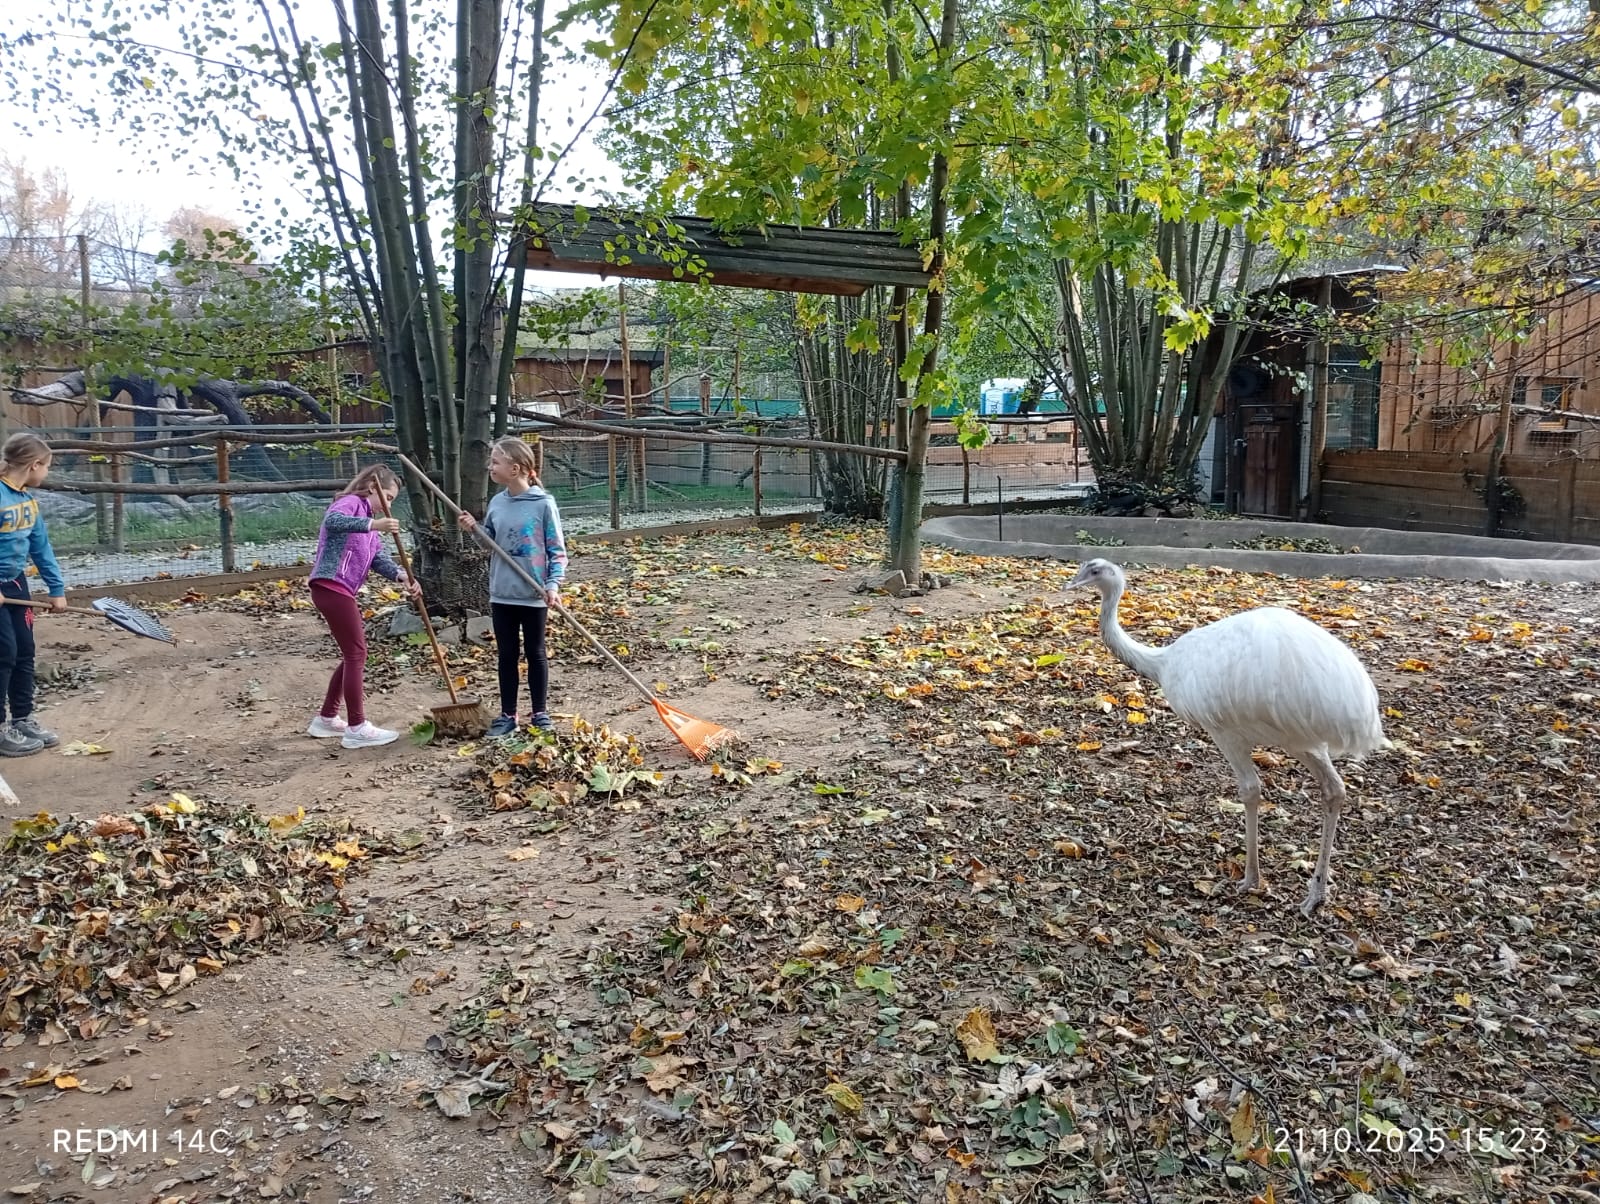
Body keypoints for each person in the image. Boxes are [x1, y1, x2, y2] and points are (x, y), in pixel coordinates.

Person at [458, 437, 567, 738]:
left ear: (515, 468)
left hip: (533, 593)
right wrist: (474, 529)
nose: (490, 467)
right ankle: (508, 715)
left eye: (495, 462)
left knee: (535, 653)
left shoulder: (543, 504)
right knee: (506, 654)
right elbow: (490, 543)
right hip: (502, 593)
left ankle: (540, 713)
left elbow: (557, 550)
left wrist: (553, 585)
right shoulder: (497, 502)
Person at [308, 464, 421, 749]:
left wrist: (402, 576)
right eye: (388, 497)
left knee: (352, 654)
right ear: (373, 488)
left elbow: (378, 558)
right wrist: (374, 525)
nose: (388, 506)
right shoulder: (350, 504)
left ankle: (327, 718)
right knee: (357, 653)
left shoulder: (369, 521)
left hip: (340, 590)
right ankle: (357, 727)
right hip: (330, 584)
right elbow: (334, 520)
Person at [0, 433, 67, 758]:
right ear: (34, 465)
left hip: (15, 584)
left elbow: (41, 548)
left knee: (25, 650)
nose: (47, 472)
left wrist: (57, 590)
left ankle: (23, 719)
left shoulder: (27, 501)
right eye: (47, 466)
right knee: (4, 653)